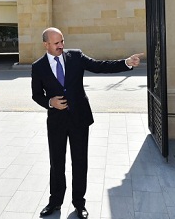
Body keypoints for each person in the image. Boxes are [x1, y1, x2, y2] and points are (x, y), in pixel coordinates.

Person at [31, 27, 142, 219]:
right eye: (56, 43)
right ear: (46, 44)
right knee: (57, 163)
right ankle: (55, 202)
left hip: (79, 119)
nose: (61, 46)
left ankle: (79, 203)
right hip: (56, 122)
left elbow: (100, 66)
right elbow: (36, 95)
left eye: (62, 41)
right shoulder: (38, 66)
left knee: (80, 162)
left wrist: (126, 63)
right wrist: (51, 103)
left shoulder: (76, 56)